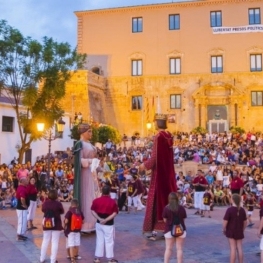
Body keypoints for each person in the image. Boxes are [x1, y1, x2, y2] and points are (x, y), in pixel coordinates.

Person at [139, 113, 177, 240]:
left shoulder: (158, 136)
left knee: (155, 200)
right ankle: (171, 226)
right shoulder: (169, 136)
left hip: (159, 174)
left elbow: (154, 157)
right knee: (169, 199)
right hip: (169, 174)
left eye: (155, 122)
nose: (154, 124)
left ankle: (155, 228)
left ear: (158, 123)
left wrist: (144, 165)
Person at [73, 123, 100, 233]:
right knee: (87, 197)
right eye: (89, 131)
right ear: (83, 132)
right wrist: (91, 161)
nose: (91, 133)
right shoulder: (80, 144)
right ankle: (86, 225)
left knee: (94, 197)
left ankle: (94, 223)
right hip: (85, 174)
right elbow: (79, 161)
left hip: (92, 173)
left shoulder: (90, 144)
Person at [91, 185, 119, 263]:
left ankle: (97, 258)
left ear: (102, 191)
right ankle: (109, 259)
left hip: (99, 222)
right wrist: (106, 220)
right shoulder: (112, 201)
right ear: (109, 192)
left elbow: (92, 211)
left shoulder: (96, 200)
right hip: (109, 223)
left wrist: (100, 219)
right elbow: (115, 213)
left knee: (99, 240)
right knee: (109, 241)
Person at [40, 189, 64, 263]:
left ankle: (42, 258)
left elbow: (43, 210)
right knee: (55, 242)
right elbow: (62, 211)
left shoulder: (45, 203)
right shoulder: (58, 204)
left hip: (47, 223)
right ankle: (53, 260)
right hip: (56, 224)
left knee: (45, 241)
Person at [162, 192, 187, 263]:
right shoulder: (181, 208)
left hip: (169, 229)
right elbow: (184, 219)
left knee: (168, 248)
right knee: (179, 249)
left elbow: (165, 220)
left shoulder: (166, 208)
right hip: (181, 229)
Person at [223, 194, 247, 263]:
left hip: (231, 230)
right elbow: (245, 222)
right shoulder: (242, 210)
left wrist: (223, 229)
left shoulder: (229, 210)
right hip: (239, 230)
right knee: (239, 247)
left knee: (233, 248)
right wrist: (243, 229)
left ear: (232, 200)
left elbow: (225, 221)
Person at [64, 199, 84, 263]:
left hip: (70, 231)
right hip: (77, 230)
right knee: (77, 243)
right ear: (77, 204)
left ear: (71, 204)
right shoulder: (79, 211)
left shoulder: (69, 212)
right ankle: (76, 256)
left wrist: (65, 225)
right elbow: (83, 221)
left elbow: (66, 221)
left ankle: (72, 259)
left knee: (71, 244)